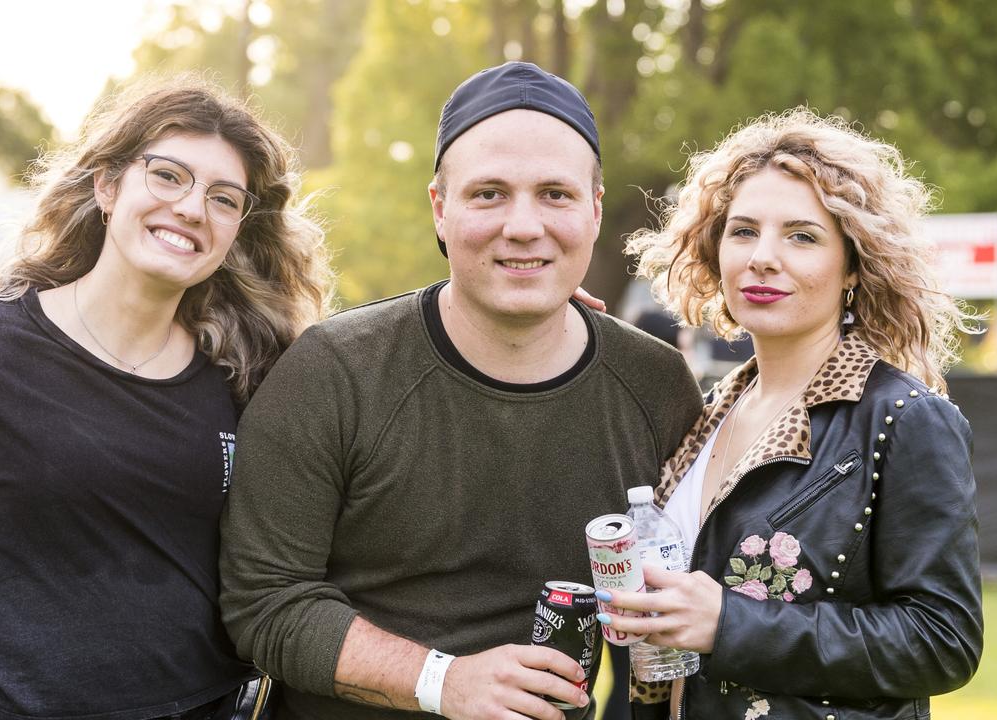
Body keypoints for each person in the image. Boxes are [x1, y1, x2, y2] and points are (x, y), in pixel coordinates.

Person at [0, 75, 332, 720]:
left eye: (223, 198)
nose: (191, 209)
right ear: (107, 186)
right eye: (168, 176)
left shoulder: (249, 376)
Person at [218, 61, 701, 720]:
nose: (524, 225)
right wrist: (443, 680)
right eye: (489, 194)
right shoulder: (334, 371)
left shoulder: (657, 384)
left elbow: (665, 617)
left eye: (555, 194)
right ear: (441, 210)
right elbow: (265, 601)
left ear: (594, 210)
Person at [601, 108, 984, 719]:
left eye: (802, 236)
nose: (763, 258)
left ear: (854, 265)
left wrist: (731, 624)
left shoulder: (906, 418)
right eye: (743, 231)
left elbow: (944, 640)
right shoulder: (706, 414)